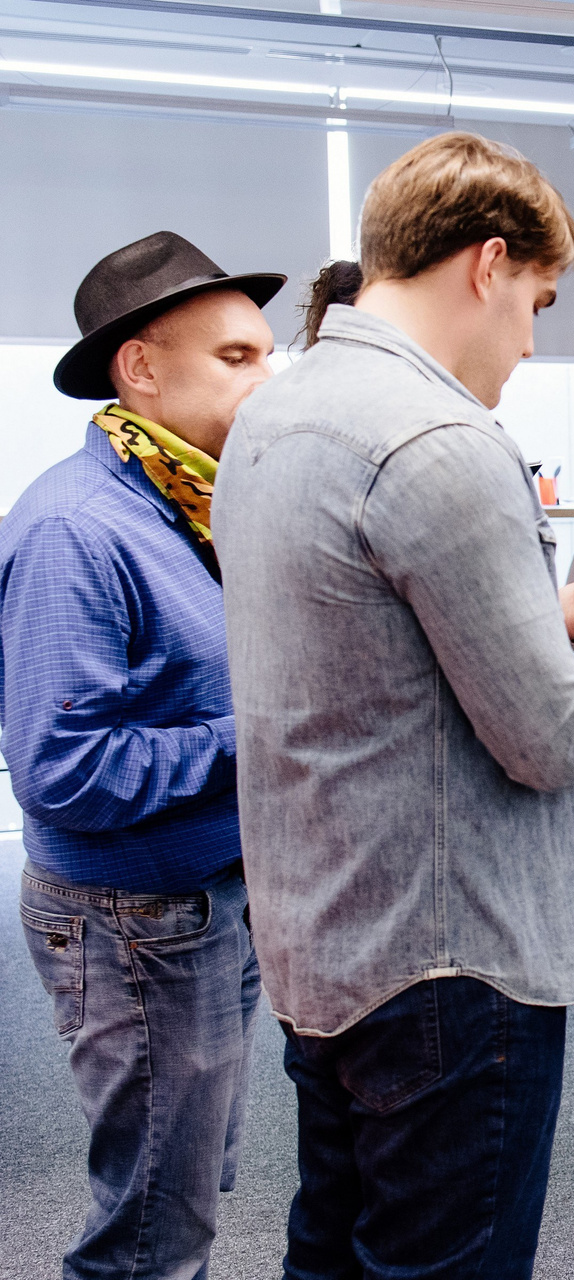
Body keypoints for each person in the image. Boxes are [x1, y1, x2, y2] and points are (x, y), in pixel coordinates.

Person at [213, 133, 574, 1280]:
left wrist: (553, 614)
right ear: (488, 265)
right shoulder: (441, 438)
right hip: (449, 958)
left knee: (332, 1253)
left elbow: (365, 652)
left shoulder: (274, 418)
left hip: (323, 936)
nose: (531, 341)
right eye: (537, 301)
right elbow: (553, 737)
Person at [2, 231, 280, 1279]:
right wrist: (263, 731)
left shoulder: (190, 502)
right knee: (151, 1231)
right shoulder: (77, 528)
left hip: (206, 901)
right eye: (237, 357)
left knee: (181, 1189)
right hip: (135, 924)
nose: (268, 377)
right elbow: (62, 770)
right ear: (142, 369)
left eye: (267, 353)